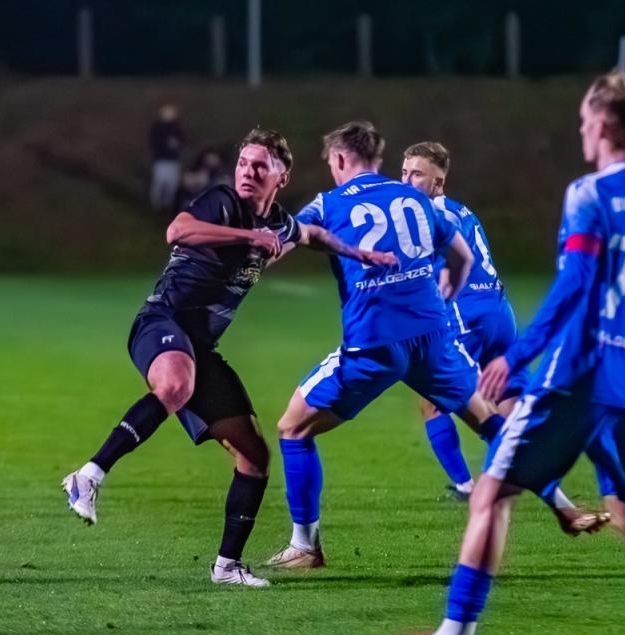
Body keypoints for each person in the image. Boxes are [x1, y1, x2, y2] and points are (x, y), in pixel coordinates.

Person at [375, 72, 625, 635]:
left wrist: (515, 357)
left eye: (583, 122)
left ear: (603, 124)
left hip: (576, 376)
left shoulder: (589, 194)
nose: (581, 131)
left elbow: (573, 286)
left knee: (491, 494)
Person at [61, 128, 396, 588]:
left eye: (259, 165)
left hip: (200, 347)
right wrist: (248, 235)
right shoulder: (222, 203)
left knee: (254, 456)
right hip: (162, 322)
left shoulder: (280, 223)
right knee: (175, 385)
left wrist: (359, 253)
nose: (247, 172)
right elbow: (177, 230)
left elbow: (313, 233)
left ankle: (227, 566)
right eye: (243, 163)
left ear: (281, 175)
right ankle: (89, 476)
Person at [263, 121, 510, 570]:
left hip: (374, 344)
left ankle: (305, 546)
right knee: (489, 421)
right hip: (435, 336)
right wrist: (444, 294)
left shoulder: (330, 201)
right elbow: (462, 255)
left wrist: (252, 248)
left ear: (341, 158)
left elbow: (285, 240)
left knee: (293, 427)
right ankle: (556, 499)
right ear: (379, 159)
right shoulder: (418, 200)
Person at [400, 141, 608, 535]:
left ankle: (466, 486)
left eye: (417, 174)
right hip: (500, 315)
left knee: (433, 402)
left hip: (466, 316)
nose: (407, 180)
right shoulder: (461, 210)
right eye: (404, 172)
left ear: (438, 182)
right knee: (513, 417)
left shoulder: (425, 215)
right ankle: (567, 499)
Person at [148, 104, 184, 213]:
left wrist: (176, 144)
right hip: (161, 159)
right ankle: (156, 205)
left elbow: (182, 140)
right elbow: (154, 142)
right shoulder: (157, 127)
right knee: (160, 182)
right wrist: (165, 144)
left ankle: (168, 205)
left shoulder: (177, 127)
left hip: (173, 160)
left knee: (171, 184)